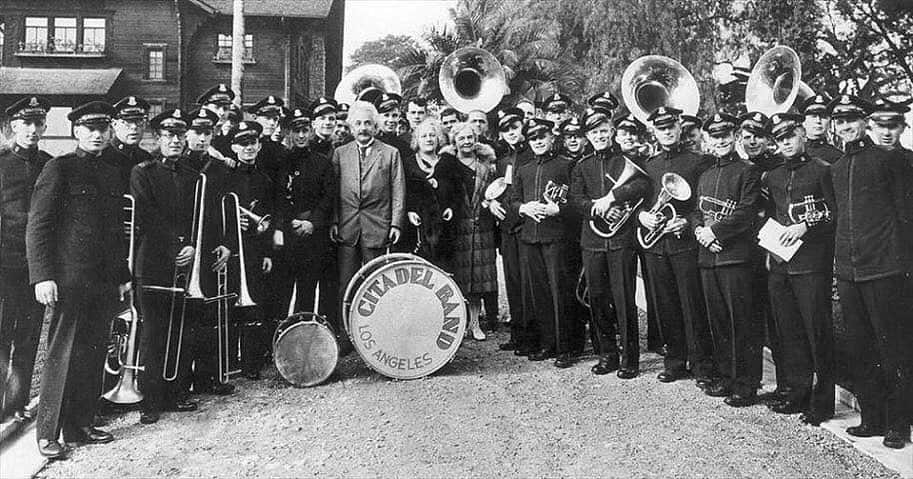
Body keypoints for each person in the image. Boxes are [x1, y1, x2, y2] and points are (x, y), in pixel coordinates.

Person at [27, 101, 131, 458]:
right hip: (69, 280)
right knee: (61, 355)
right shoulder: (60, 168)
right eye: (90, 129)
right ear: (76, 131)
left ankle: (81, 424)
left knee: (92, 352)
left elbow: (116, 232)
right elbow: (38, 226)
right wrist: (43, 276)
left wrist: (121, 276)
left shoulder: (113, 171)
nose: (98, 134)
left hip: (103, 282)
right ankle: (47, 432)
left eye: (103, 128)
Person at [828, 95, 911, 449]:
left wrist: (902, 266)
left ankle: (898, 424)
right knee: (860, 348)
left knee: (892, 348)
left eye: (852, 120)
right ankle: (872, 418)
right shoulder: (835, 169)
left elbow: (905, 217)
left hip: (884, 271)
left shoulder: (889, 161)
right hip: (849, 273)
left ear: (865, 123)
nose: (846, 126)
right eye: (840, 121)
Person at [132, 109, 217, 424]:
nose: (176, 141)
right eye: (169, 136)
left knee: (182, 328)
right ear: (157, 138)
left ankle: (176, 392)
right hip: (153, 262)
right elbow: (147, 215)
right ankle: (150, 399)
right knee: (153, 332)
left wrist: (193, 247)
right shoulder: (143, 171)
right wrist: (176, 247)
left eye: (180, 136)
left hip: (186, 261)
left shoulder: (194, 176)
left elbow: (200, 218)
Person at [762, 113, 836, 426]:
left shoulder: (822, 170)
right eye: (780, 139)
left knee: (817, 333)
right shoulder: (774, 174)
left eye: (791, 136)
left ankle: (823, 404)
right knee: (790, 333)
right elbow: (772, 214)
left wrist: (806, 227)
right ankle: (798, 394)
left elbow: (834, 213)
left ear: (801, 135)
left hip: (811, 265)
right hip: (781, 264)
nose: (787, 143)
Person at [638, 107, 714, 386]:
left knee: (693, 304)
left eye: (671, 126)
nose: (667, 132)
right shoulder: (649, 164)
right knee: (666, 305)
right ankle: (675, 362)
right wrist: (642, 216)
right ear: (654, 132)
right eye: (661, 128)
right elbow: (640, 202)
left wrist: (686, 222)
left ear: (680, 127)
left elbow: (702, 203)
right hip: (657, 247)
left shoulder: (698, 162)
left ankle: (702, 364)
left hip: (685, 245)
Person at [570, 109, 650, 376]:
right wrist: (598, 207)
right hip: (593, 240)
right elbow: (576, 200)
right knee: (598, 299)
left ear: (612, 132)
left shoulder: (626, 159)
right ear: (587, 136)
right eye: (594, 132)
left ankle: (630, 360)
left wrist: (613, 197)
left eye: (604, 131)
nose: (600, 136)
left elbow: (642, 186)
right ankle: (607, 355)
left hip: (621, 241)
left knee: (624, 299)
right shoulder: (582, 165)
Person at [694, 113, 763, 407]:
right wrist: (698, 228)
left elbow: (747, 211)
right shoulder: (706, 174)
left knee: (742, 323)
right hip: (708, 258)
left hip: (736, 258)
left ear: (734, 136)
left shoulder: (747, 171)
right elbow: (697, 208)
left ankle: (746, 385)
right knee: (719, 322)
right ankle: (725, 377)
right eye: (714, 136)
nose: (720, 141)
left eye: (725, 135)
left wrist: (714, 231)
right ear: (707, 139)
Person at [0, 96, 52, 423]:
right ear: (14, 126)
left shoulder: (50, 164)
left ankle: (17, 404)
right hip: (5, 265)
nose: (32, 130)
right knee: (2, 334)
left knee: (30, 335)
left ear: (45, 126)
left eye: (38, 124)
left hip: (37, 267)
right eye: (26, 124)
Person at [510, 118, 577, 366]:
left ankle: (565, 348)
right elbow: (513, 201)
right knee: (539, 294)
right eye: (533, 137)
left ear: (551, 137)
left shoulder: (566, 165)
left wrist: (557, 210)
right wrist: (525, 208)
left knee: (560, 292)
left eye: (542, 136)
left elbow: (576, 201)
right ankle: (547, 344)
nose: (538, 141)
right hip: (530, 238)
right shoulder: (524, 169)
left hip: (557, 238)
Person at [275, 108, 339, 342]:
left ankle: (304, 340)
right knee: (282, 290)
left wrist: (312, 223)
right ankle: (278, 339)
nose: (301, 135)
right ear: (288, 133)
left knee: (307, 288)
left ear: (311, 131)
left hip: (313, 237)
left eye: (305, 130)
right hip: (287, 235)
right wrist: (287, 221)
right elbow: (276, 196)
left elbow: (328, 197)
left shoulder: (321, 163)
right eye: (296, 131)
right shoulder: (280, 162)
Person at [332, 101, 405, 304]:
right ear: (351, 127)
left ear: (375, 126)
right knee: (346, 284)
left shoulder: (391, 153)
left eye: (367, 123)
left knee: (376, 283)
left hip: (377, 227)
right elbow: (334, 192)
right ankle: (345, 332)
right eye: (358, 123)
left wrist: (395, 224)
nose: (363, 128)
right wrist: (335, 221)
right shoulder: (340, 153)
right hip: (347, 228)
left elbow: (398, 190)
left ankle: (374, 331)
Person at [224, 121, 278, 379]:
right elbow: (217, 211)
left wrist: (268, 252)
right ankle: (228, 359)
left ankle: (250, 362)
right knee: (230, 303)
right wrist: (232, 219)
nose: (249, 148)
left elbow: (270, 217)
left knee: (254, 304)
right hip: (232, 247)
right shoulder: (226, 177)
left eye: (253, 143)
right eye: (243, 144)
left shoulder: (264, 179)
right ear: (234, 147)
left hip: (256, 248)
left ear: (259, 145)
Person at [435, 122, 499, 341]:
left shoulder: (486, 165)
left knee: (479, 279)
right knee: (462, 277)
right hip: (459, 228)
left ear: (476, 140)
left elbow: (494, 192)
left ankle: (475, 323)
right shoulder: (448, 165)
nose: (466, 142)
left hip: (482, 227)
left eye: (470, 138)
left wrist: (488, 203)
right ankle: (461, 323)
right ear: (454, 141)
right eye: (461, 138)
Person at [491, 108, 529, 353]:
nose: (511, 133)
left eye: (514, 127)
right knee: (513, 284)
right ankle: (518, 335)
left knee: (528, 285)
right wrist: (490, 202)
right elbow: (495, 190)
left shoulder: (530, 156)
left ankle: (532, 337)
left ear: (522, 127)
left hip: (525, 227)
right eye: (506, 130)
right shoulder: (502, 160)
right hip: (508, 228)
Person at [407, 119, 448, 262]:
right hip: (418, 224)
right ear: (417, 140)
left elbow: (455, 191)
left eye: (432, 135)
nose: (429, 139)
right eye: (424, 136)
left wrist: (450, 207)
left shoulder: (447, 161)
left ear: (438, 139)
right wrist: (410, 210)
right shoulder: (408, 163)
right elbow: (404, 191)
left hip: (444, 224)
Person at [110, 96, 153, 183]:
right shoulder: (104, 156)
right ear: (114, 124)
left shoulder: (146, 157)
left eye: (139, 121)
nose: (134, 127)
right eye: (127, 122)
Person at [800, 95, 842, 164]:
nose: (818, 121)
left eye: (823, 117)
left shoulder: (838, 157)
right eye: (813, 116)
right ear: (803, 122)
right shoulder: (794, 152)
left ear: (829, 121)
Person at [198, 83, 236, 158]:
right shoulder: (192, 135)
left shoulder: (226, 139)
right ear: (205, 108)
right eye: (217, 107)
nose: (222, 113)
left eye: (225, 108)